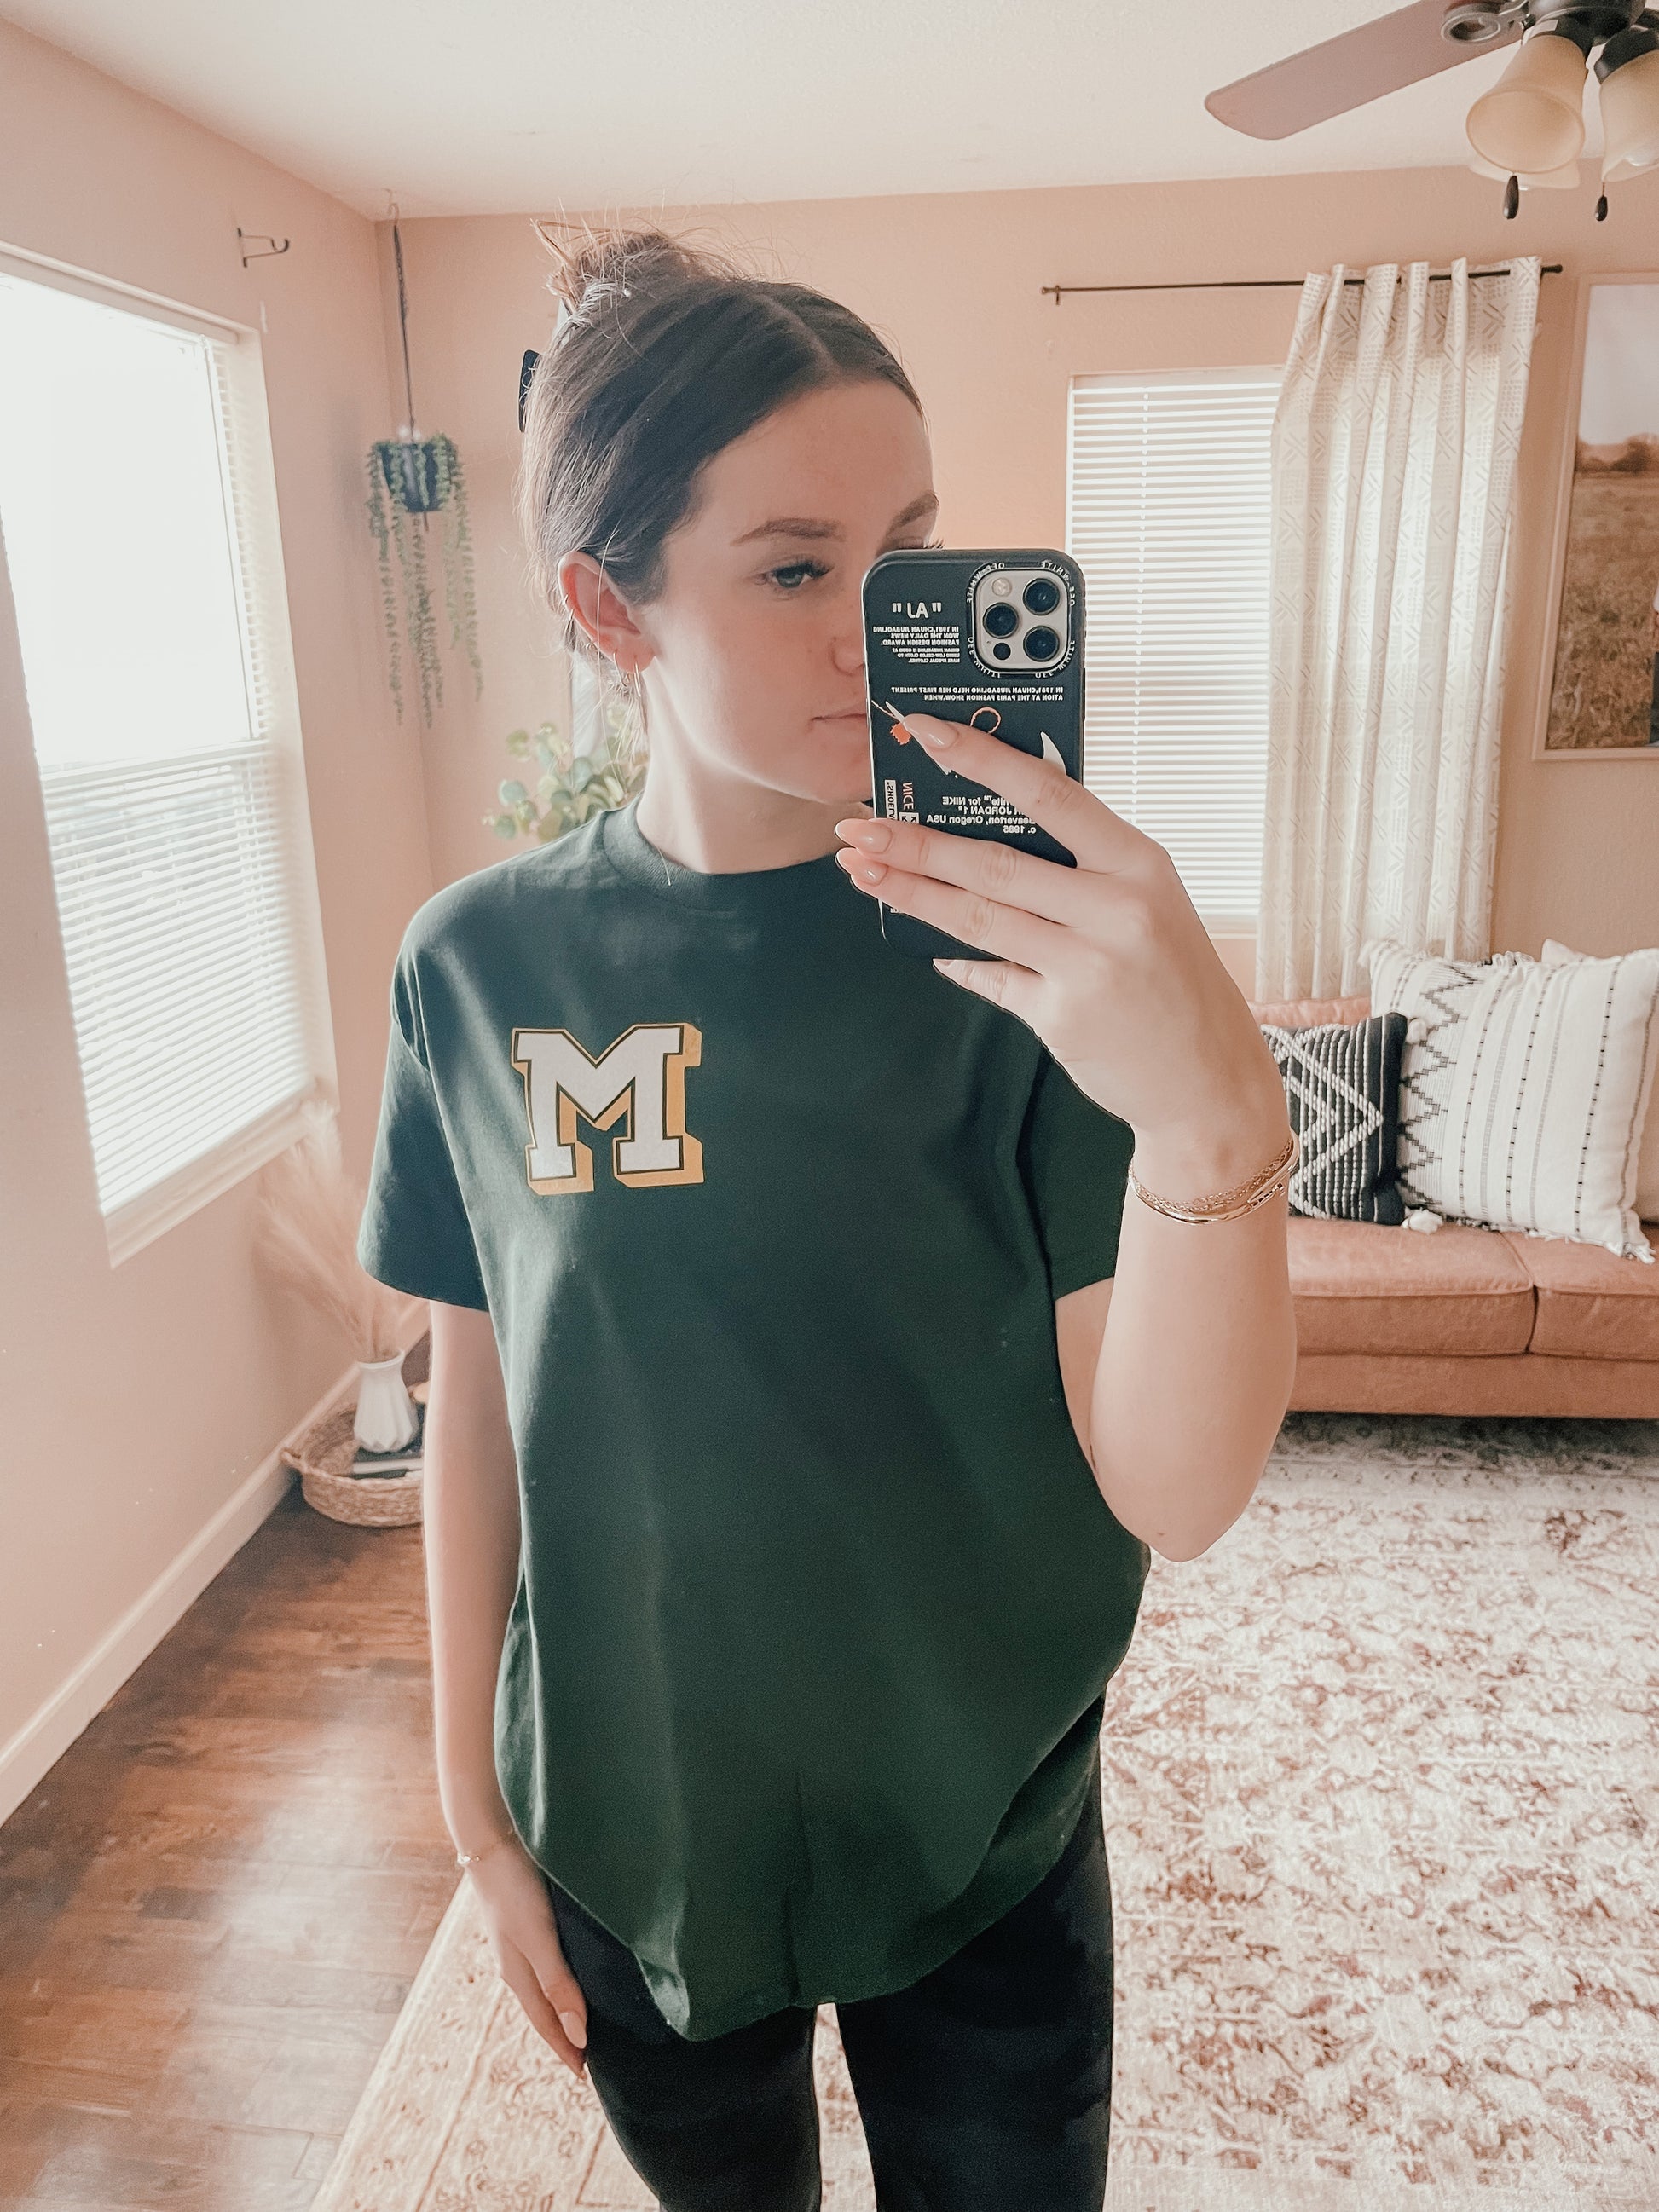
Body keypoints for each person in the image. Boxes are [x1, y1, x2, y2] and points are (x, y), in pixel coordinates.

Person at [356, 220, 1298, 2212]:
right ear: (606, 609)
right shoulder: (475, 966)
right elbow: (479, 1396)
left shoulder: (1027, 955)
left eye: (912, 552)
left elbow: (1177, 1487)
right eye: (796, 569)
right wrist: (474, 1808)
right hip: (632, 1826)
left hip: (983, 1823)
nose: (880, 626)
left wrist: (1214, 1107)